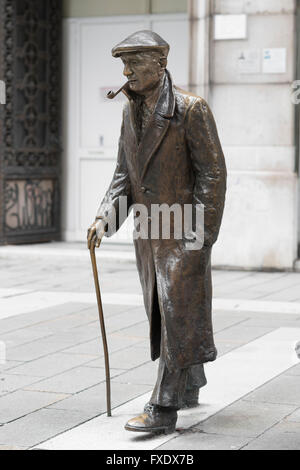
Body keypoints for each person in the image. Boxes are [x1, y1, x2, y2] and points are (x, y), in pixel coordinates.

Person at [87, 30, 227, 434]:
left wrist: (200, 236)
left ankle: (163, 405)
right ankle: (191, 382)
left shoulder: (190, 109)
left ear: (161, 64)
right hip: (148, 232)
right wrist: (104, 219)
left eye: (135, 63)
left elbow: (213, 175)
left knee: (173, 313)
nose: (127, 71)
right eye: (123, 65)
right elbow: (123, 176)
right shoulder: (130, 112)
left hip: (183, 233)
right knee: (166, 311)